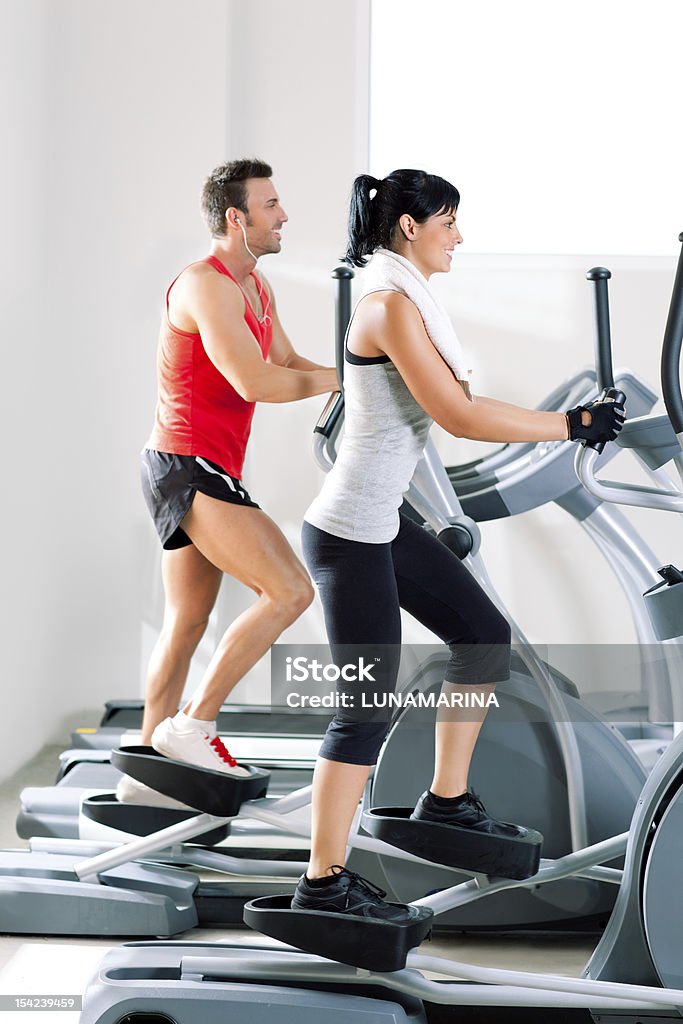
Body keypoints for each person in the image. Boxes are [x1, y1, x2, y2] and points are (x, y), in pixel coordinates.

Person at [291, 168, 624, 918]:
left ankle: (444, 802)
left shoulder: (406, 298)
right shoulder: (386, 307)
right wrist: (570, 426)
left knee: (482, 637)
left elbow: (459, 406)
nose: (459, 238)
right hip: (348, 536)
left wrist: (572, 422)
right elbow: (459, 414)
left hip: (384, 526)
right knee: (364, 710)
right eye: (448, 224)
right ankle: (320, 884)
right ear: (408, 227)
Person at [117, 158, 338, 807]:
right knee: (290, 590)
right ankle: (194, 724)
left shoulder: (256, 287)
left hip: (195, 467)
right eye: (270, 205)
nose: (284, 215)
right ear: (235, 218)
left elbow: (289, 362)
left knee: (185, 623)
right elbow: (255, 382)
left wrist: (359, 375)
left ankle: (144, 780)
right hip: (188, 466)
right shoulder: (204, 286)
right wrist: (340, 384)